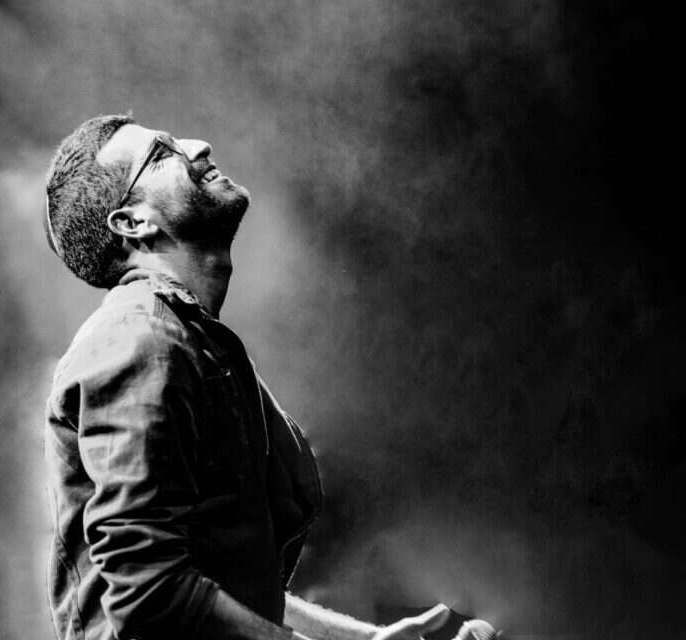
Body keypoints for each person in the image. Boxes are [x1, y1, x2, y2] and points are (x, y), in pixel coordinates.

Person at [42, 114, 489, 640]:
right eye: (162, 154)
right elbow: (150, 592)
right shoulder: (139, 339)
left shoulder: (185, 339)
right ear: (132, 223)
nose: (198, 145)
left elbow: (219, 586)